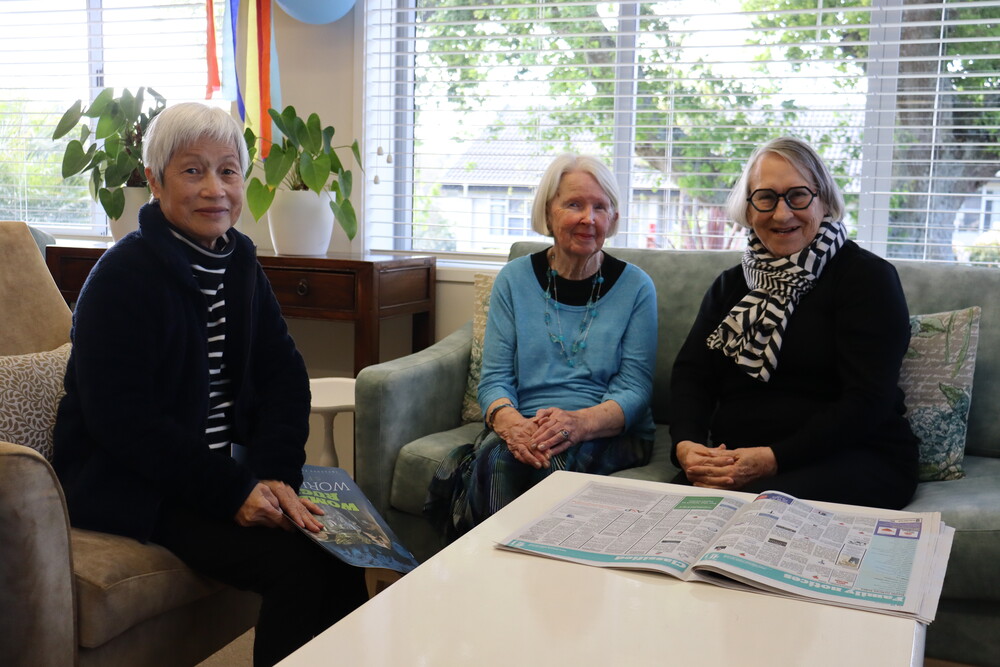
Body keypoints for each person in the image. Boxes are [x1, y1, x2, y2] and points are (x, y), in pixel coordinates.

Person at [52, 103, 367, 666]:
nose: (214, 189)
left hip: (222, 468)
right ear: (155, 182)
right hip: (132, 482)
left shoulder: (239, 261)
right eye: (192, 171)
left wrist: (273, 473)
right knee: (297, 565)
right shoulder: (121, 277)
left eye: (227, 171)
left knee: (340, 549)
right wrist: (231, 491)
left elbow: (284, 376)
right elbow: (124, 422)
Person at [668, 136, 919, 509]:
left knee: (751, 510)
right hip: (740, 459)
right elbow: (693, 375)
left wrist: (772, 458)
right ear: (748, 208)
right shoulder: (730, 285)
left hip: (853, 455)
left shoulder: (867, 278)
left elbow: (868, 400)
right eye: (766, 197)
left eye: (798, 196)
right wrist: (687, 445)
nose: (782, 214)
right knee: (670, 511)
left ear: (824, 200)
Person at [426, 153, 658, 539]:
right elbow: (495, 379)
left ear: (613, 218)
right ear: (548, 212)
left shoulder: (636, 287)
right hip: (527, 421)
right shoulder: (514, 280)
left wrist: (578, 424)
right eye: (574, 204)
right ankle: (490, 570)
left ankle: (521, 571)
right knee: (497, 460)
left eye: (600, 207)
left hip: (606, 429)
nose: (589, 218)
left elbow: (635, 389)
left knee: (551, 469)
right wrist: (514, 425)